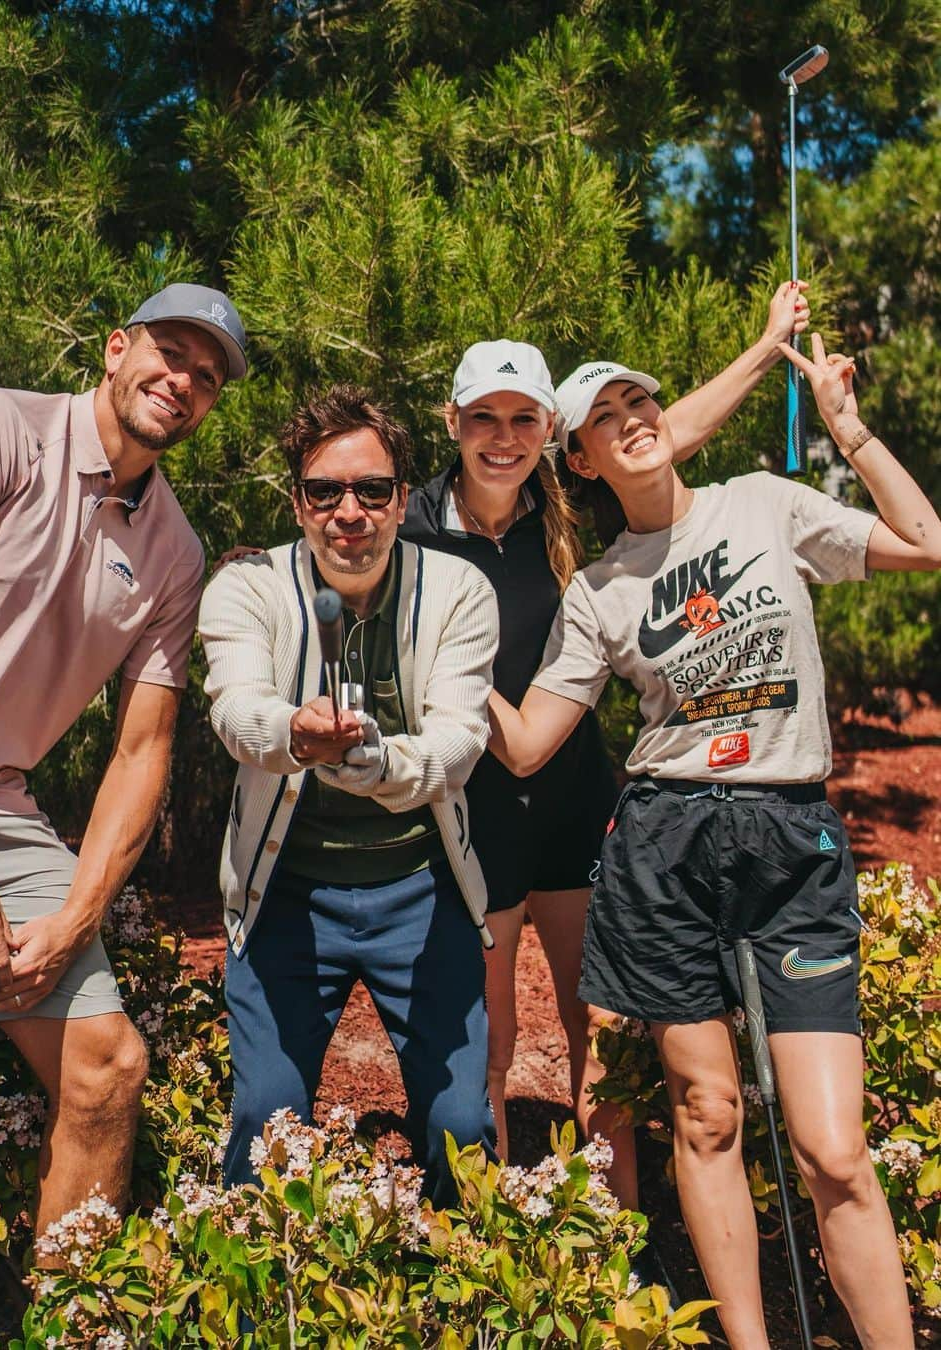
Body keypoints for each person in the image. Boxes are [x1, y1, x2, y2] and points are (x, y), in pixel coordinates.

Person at [488, 331, 936, 1347]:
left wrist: (847, 425)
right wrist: (437, 656)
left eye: (638, 400)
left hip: (789, 840)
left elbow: (927, 538)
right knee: (708, 1117)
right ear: (583, 460)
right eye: (602, 418)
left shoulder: (764, 501)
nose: (631, 419)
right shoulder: (598, 590)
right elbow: (524, 746)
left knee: (833, 1151)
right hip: (664, 846)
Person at [398, 281, 811, 1192]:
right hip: (475, 813)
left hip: (578, 805)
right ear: (454, 421)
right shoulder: (410, 528)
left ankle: (615, 1240)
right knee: (492, 1042)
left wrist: (768, 345)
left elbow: (675, 432)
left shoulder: (565, 507)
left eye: (524, 420)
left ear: (552, 432)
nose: (503, 438)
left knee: (606, 1037)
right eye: (484, 419)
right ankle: (492, 1246)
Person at [0, 282, 246, 1250]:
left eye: (206, 377)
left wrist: (77, 918)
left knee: (107, 1069)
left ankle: (72, 1319)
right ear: (116, 348)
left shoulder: (174, 555)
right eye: (170, 352)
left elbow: (142, 748)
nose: (183, 381)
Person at [198, 383, 499, 1205]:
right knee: (266, 1120)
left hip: (420, 890)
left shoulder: (459, 592)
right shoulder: (248, 588)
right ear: (297, 503)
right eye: (324, 491)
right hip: (287, 894)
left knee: (462, 1130)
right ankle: (259, 1319)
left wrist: (376, 766)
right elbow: (235, 706)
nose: (349, 512)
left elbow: (459, 739)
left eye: (373, 490)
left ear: (405, 499)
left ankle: (463, 1309)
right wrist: (295, 733)